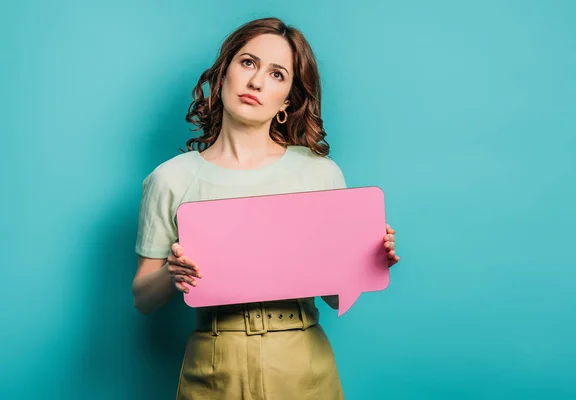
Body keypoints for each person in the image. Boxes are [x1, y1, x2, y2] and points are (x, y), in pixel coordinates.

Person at [131, 16, 400, 400]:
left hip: (301, 362)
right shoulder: (170, 178)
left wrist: (368, 261)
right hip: (213, 362)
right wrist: (172, 274)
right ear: (223, 73)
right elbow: (142, 298)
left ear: (287, 100)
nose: (257, 82)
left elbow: (336, 298)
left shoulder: (318, 173)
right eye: (248, 63)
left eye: (277, 74)